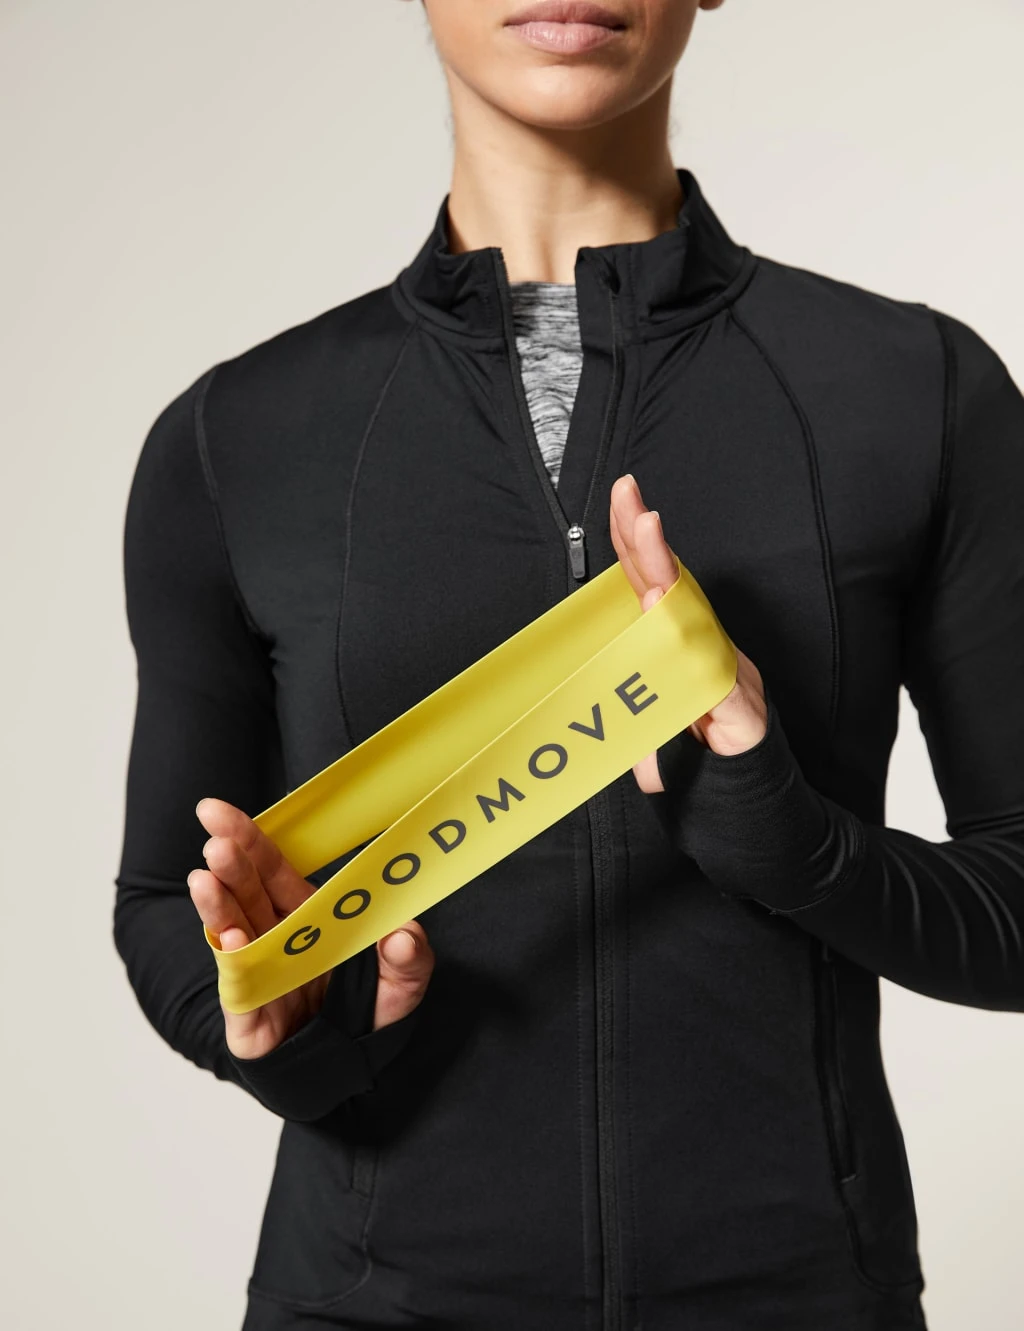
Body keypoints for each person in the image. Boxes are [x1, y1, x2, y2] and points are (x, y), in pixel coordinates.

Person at [112, 2, 1024, 1328]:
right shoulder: (238, 436)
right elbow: (164, 900)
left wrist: (791, 843)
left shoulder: (915, 392)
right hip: (367, 1301)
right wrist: (290, 1020)